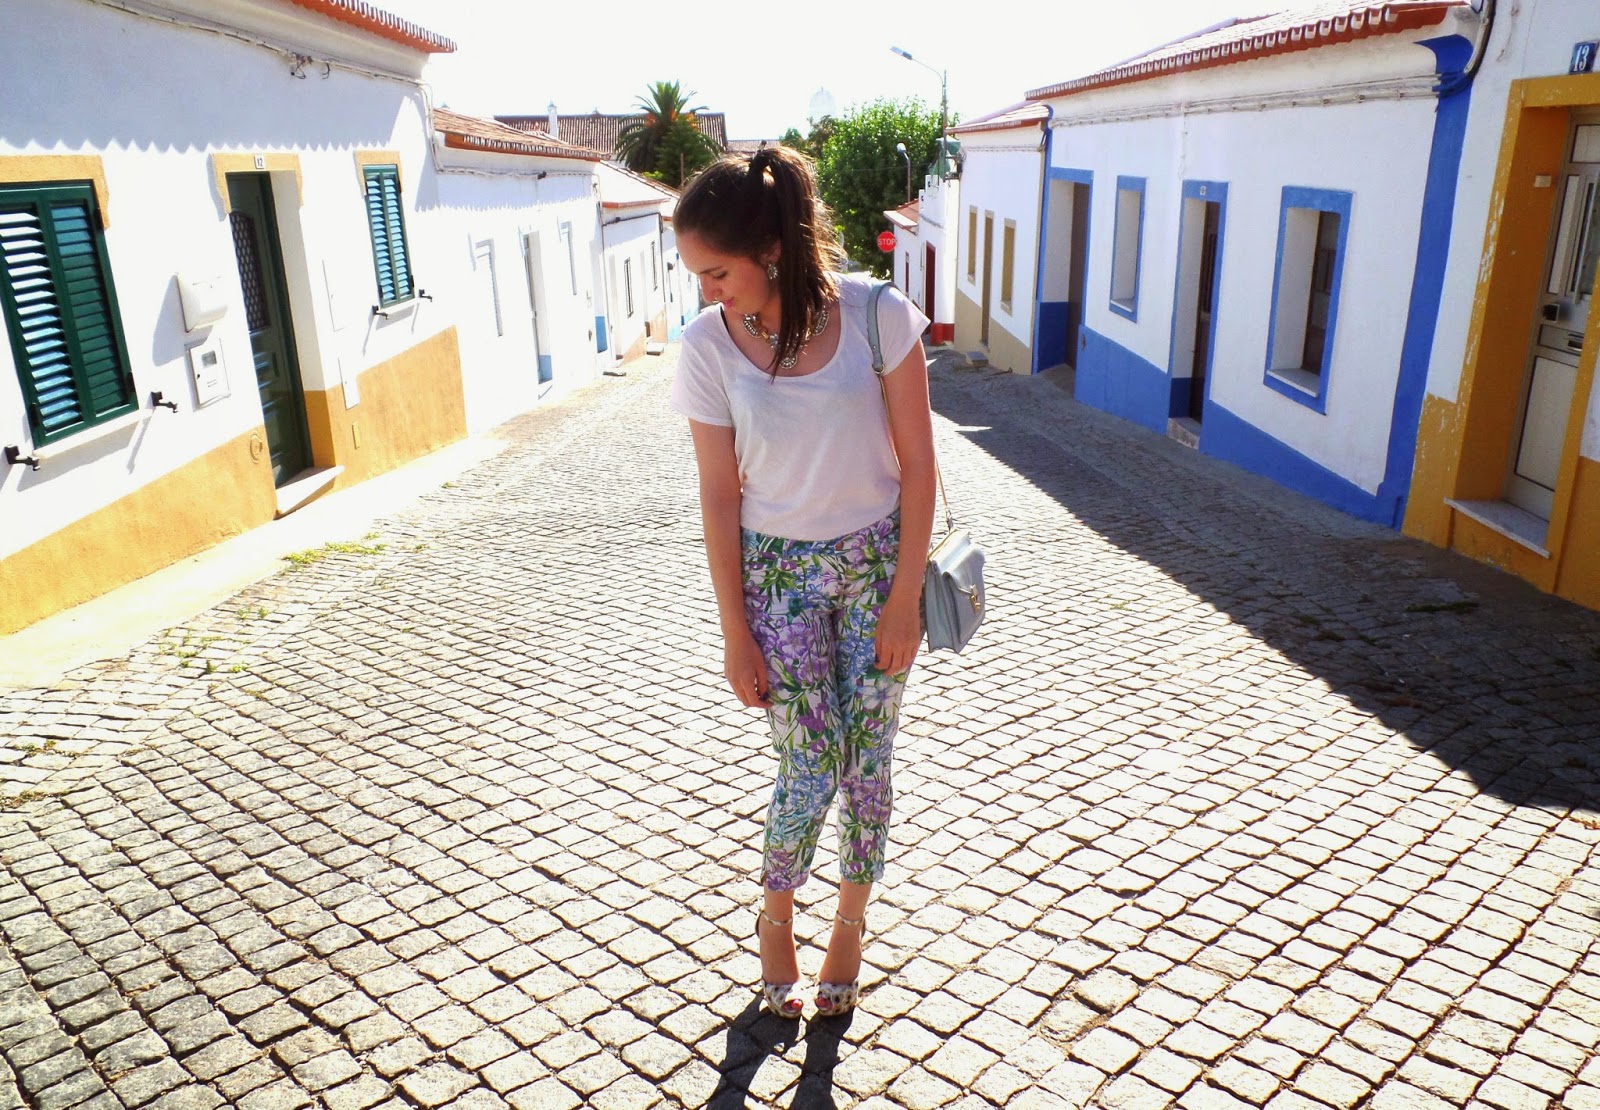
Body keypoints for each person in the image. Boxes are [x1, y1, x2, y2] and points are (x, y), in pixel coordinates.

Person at [668, 146, 937, 1019]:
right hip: (776, 578)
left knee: (869, 760)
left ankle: (849, 926)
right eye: (698, 276)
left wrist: (904, 598)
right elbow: (719, 495)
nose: (709, 291)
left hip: (876, 568)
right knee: (810, 758)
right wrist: (733, 633)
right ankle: (775, 915)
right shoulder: (707, 347)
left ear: (771, 249)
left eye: (718, 272)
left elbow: (920, 466)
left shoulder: (876, 317)